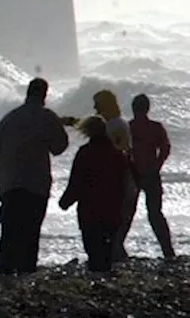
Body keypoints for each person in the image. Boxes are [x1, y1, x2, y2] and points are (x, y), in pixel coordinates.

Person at [0, 78, 70, 276]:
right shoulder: (47, 117)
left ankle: (5, 274)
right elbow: (59, 147)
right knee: (31, 232)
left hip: (10, 183)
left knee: (9, 231)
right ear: (44, 95)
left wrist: (8, 164)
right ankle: (26, 274)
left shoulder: (10, 117)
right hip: (36, 184)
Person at [59, 116, 128, 273]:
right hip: (112, 210)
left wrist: (65, 201)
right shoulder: (118, 155)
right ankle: (104, 280)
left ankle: (97, 278)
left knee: (93, 249)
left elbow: (76, 182)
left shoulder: (85, 153)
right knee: (107, 250)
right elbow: (123, 185)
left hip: (90, 211)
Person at [128, 93, 175, 259]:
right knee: (155, 213)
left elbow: (121, 151)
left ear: (133, 109)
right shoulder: (155, 127)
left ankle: (116, 249)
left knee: (127, 212)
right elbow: (165, 148)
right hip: (150, 173)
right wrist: (157, 165)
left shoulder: (129, 127)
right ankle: (168, 251)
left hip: (133, 173)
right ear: (147, 108)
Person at [93, 89, 138, 262]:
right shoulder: (117, 123)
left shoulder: (115, 125)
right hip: (122, 178)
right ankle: (116, 256)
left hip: (119, 179)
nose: (95, 107)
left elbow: (117, 153)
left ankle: (116, 257)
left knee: (116, 221)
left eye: (97, 103)